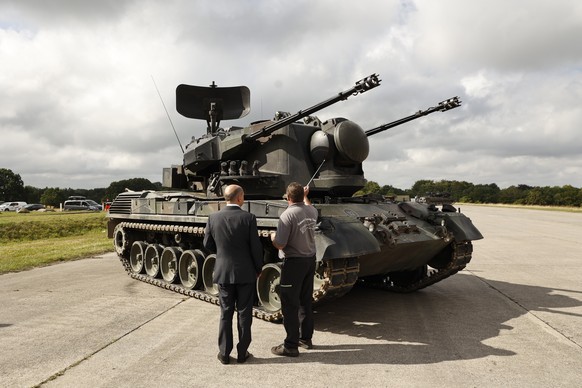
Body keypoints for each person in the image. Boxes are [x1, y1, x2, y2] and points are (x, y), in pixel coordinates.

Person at [203, 184, 264, 365]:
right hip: (245, 273)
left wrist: (221, 253)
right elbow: (256, 248)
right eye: (243, 195)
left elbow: (207, 244)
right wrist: (258, 268)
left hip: (223, 272)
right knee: (244, 313)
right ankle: (242, 353)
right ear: (239, 198)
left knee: (225, 313)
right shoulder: (249, 218)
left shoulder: (213, 218)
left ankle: (224, 353)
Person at [270, 182, 318, 357]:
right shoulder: (312, 211)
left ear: (288, 197)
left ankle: (290, 345)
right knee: (305, 300)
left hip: (294, 263)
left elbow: (281, 244)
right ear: (301, 196)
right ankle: (306, 339)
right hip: (310, 261)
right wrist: (306, 196)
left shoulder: (287, 215)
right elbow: (309, 205)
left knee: (290, 304)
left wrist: (273, 237)